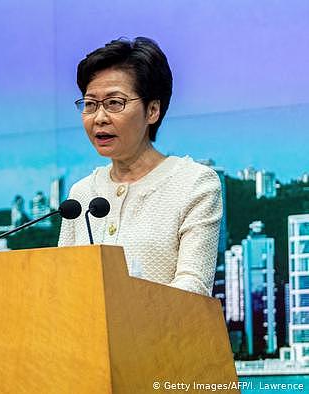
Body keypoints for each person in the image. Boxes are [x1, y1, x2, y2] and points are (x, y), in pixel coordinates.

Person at [58, 37, 222, 296]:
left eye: (114, 103)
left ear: (152, 110)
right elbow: (62, 283)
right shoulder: (81, 195)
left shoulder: (194, 184)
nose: (99, 117)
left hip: (162, 336)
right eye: (90, 104)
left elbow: (194, 287)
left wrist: (127, 310)